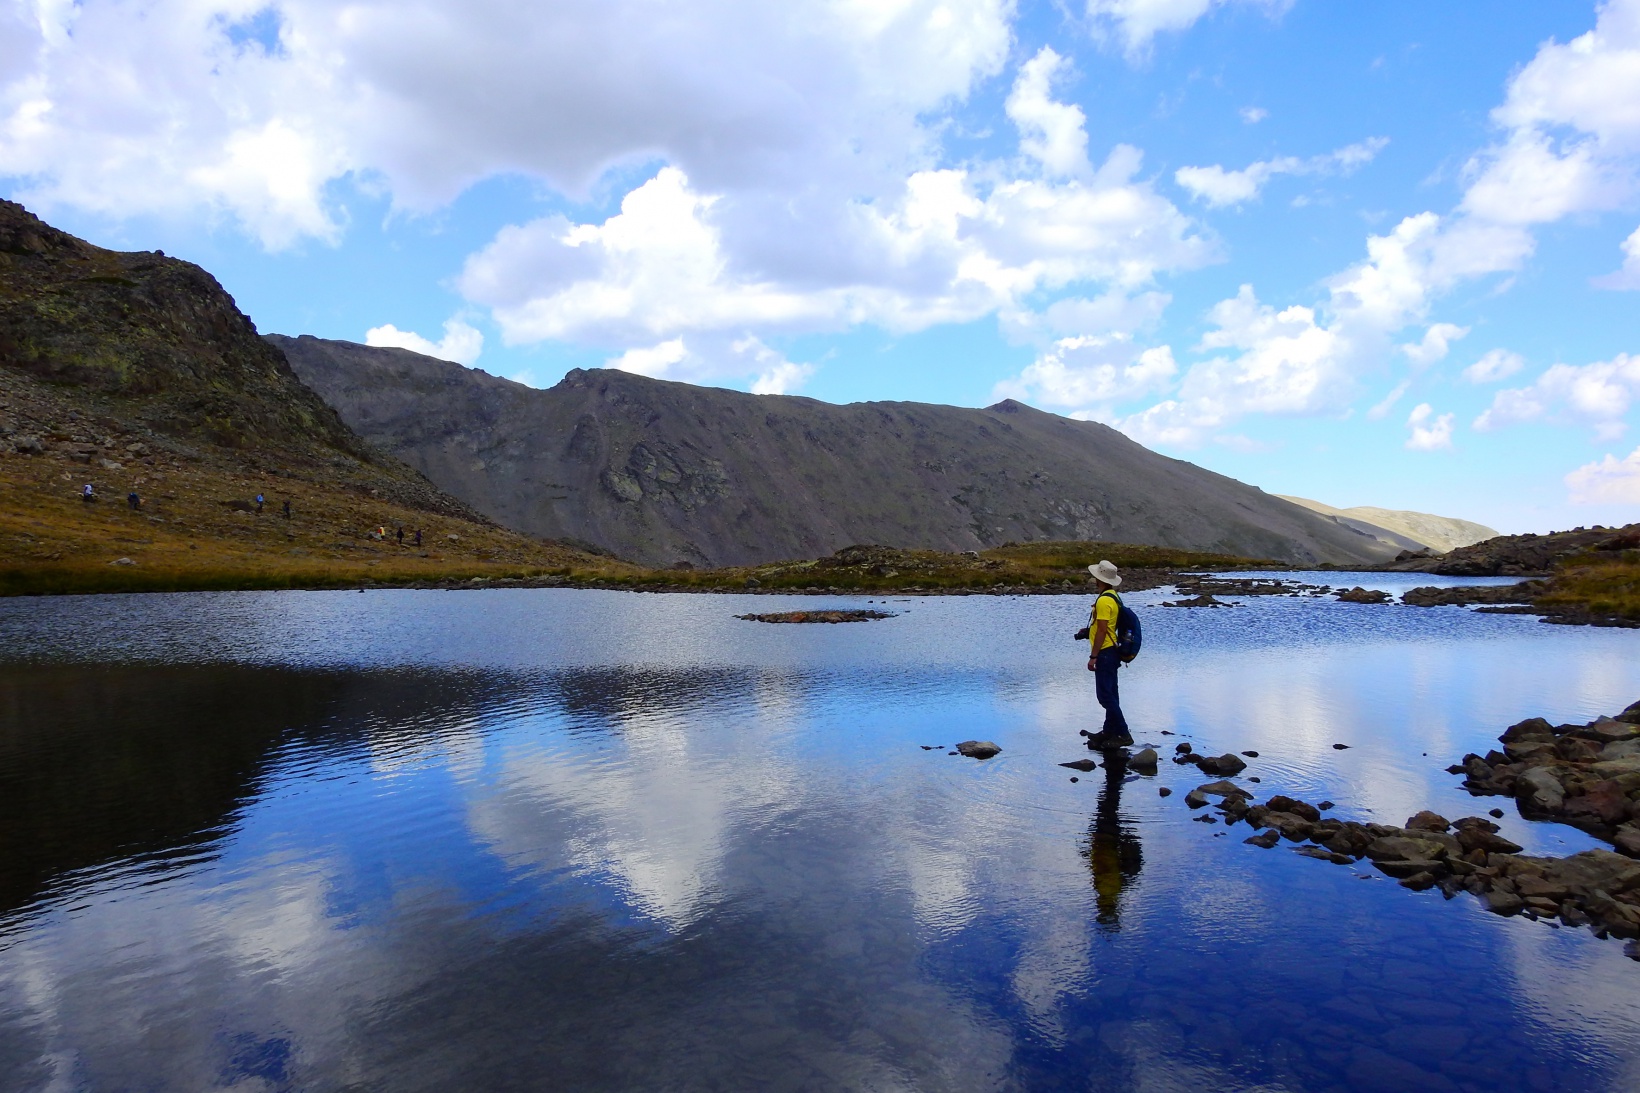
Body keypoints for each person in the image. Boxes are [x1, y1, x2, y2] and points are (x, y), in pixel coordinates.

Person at [1077, 559, 1131, 748]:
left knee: (1105, 696)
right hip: (1112, 651)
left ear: (1099, 579)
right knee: (1111, 693)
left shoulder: (1104, 601)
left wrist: (1093, 657)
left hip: (1105, 653)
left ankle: (1123, 733)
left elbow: (1102, 630)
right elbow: (1106, 627)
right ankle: (1109, 731)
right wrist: (1087, 632)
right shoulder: (1113, 597)